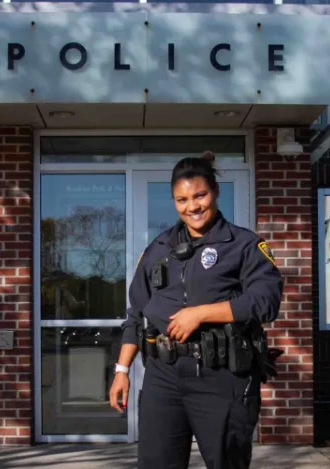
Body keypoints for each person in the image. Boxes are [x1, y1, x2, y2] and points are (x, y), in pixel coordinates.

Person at [108, 151, 284, 469]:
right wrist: (122, 370)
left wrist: (201, 313)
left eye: (200, 195)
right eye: (182, 199)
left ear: (215, 191)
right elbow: (136, 312)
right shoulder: (158, 249)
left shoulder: (244, 245)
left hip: (222, 375)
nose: (193, 207)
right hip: (163, 377)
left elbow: (266, 301)